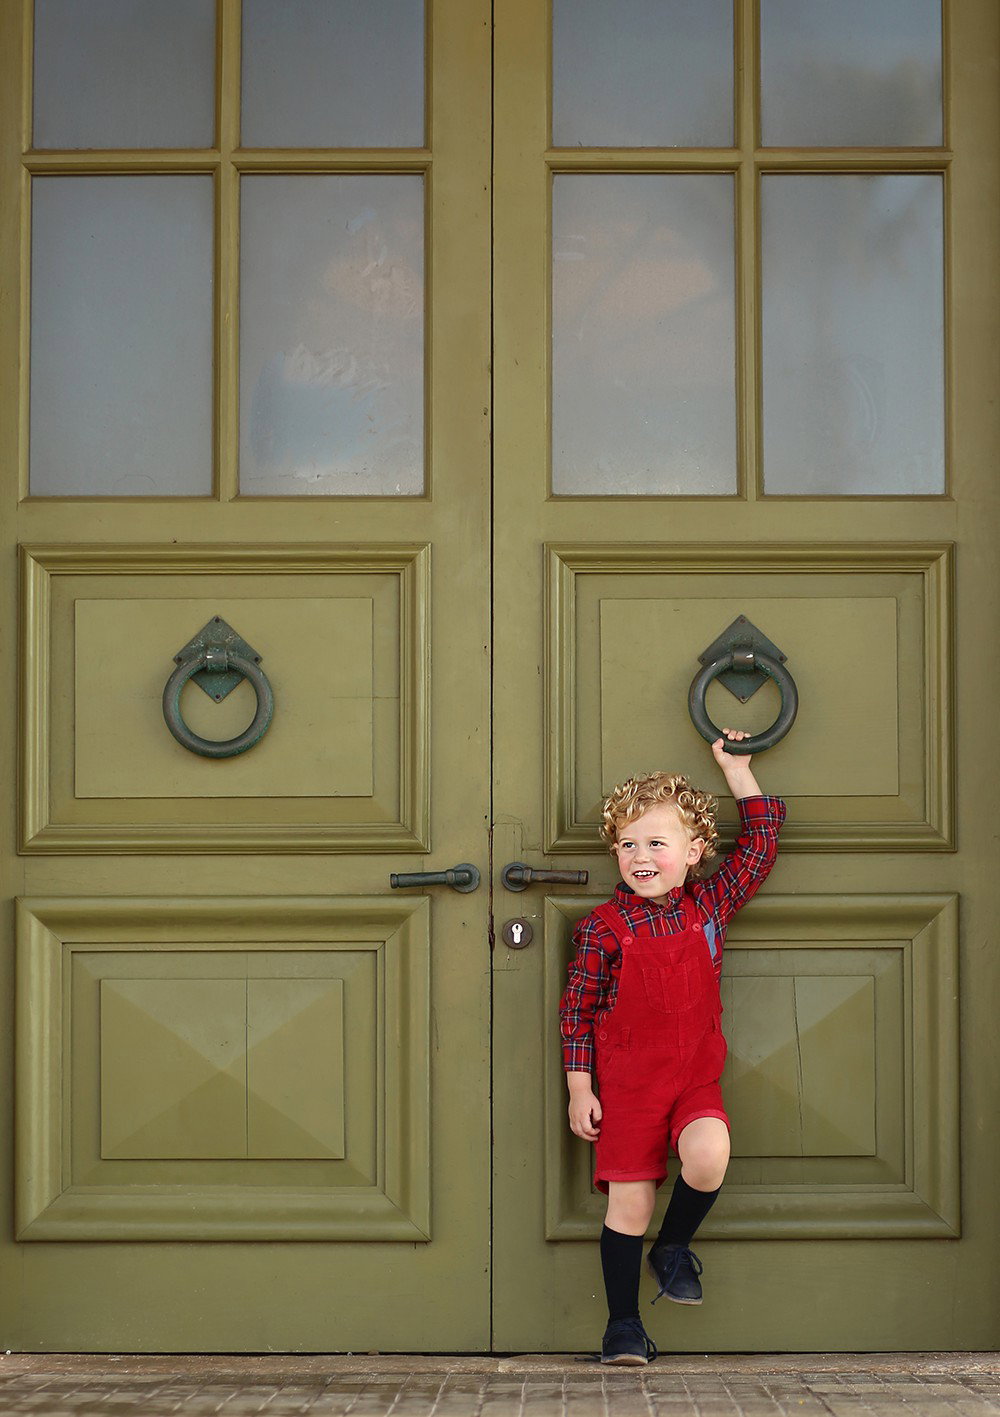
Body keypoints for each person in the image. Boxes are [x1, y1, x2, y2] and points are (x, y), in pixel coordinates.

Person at [559, 730, 786, 1365]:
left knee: (709, 1156)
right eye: (627, 844)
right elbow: (576, 1013)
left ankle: (674, 1246)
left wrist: (737, 771)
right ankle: (623, 1326)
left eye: (657, 843)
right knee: (629, 1204)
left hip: (692, 1078)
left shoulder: (709, 907)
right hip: (628, 1090)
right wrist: (581, 1087)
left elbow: (762, 848)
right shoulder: (602, 929)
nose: (640, 856)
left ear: (693, 852)